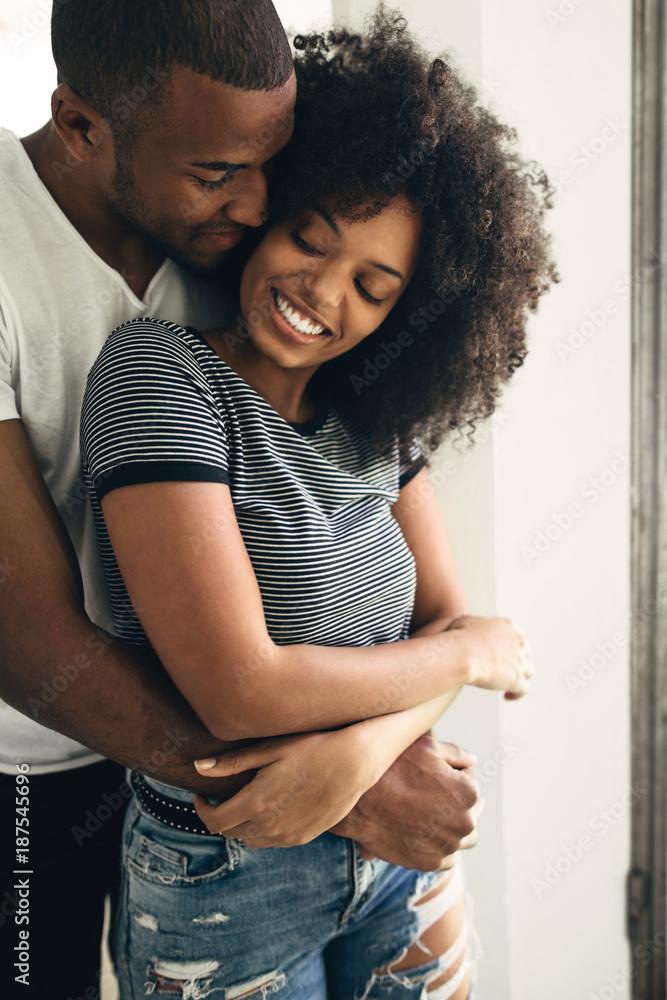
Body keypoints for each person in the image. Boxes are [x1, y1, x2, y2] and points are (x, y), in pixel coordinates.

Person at [0, 2, 482, 996]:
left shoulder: (242, 253)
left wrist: (369, 739)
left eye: (269, 165)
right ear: (84, 126)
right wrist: (341, 789)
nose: (258, 202)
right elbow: (28, 638)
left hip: (228, 783)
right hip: (27, 773)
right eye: (219, 173)